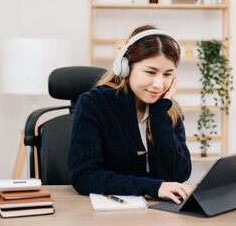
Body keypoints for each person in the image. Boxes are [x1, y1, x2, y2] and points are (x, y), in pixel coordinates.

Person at [68, 25, 192, 204]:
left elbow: (179, 174)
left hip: (157, 212)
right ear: (125, 67)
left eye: (167, 74)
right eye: (150, 72)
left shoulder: (168, 109)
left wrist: (159, 117)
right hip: (108, 212)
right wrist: (152, 186)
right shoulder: (95, 103)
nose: (159, 84)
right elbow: (85, 176)